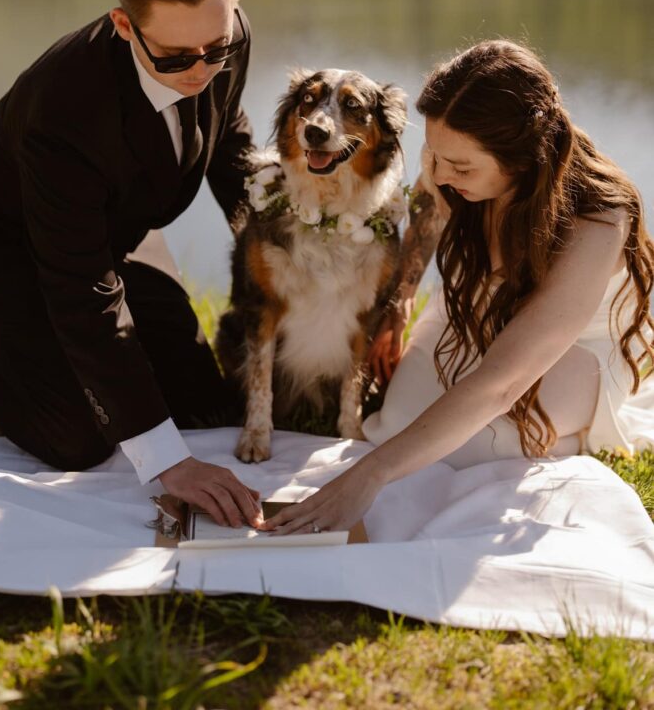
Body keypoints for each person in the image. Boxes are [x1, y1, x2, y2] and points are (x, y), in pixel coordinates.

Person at [262, 39, 654, 535]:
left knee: (477, 446)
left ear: (522, 158)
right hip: (473, 311)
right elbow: (427, 209)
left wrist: (369, 476)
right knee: (402, 419)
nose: (440, 175)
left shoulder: (597, 220)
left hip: (569, 349)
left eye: (461, 168)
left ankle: (571, 434)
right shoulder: (452, 154)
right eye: (436, 156)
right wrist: (403, 298)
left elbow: (503, 382)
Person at [0, 0, 262, 528]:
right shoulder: (65, 111)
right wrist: (168, 465)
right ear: (125, 27)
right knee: (80, 438)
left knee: (201, 404)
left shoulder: (218, 32)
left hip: (112, 229)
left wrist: (280, 252)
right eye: (178, 57)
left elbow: (229, 141)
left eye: (219, 47)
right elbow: (82, 292)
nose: (205, 69)